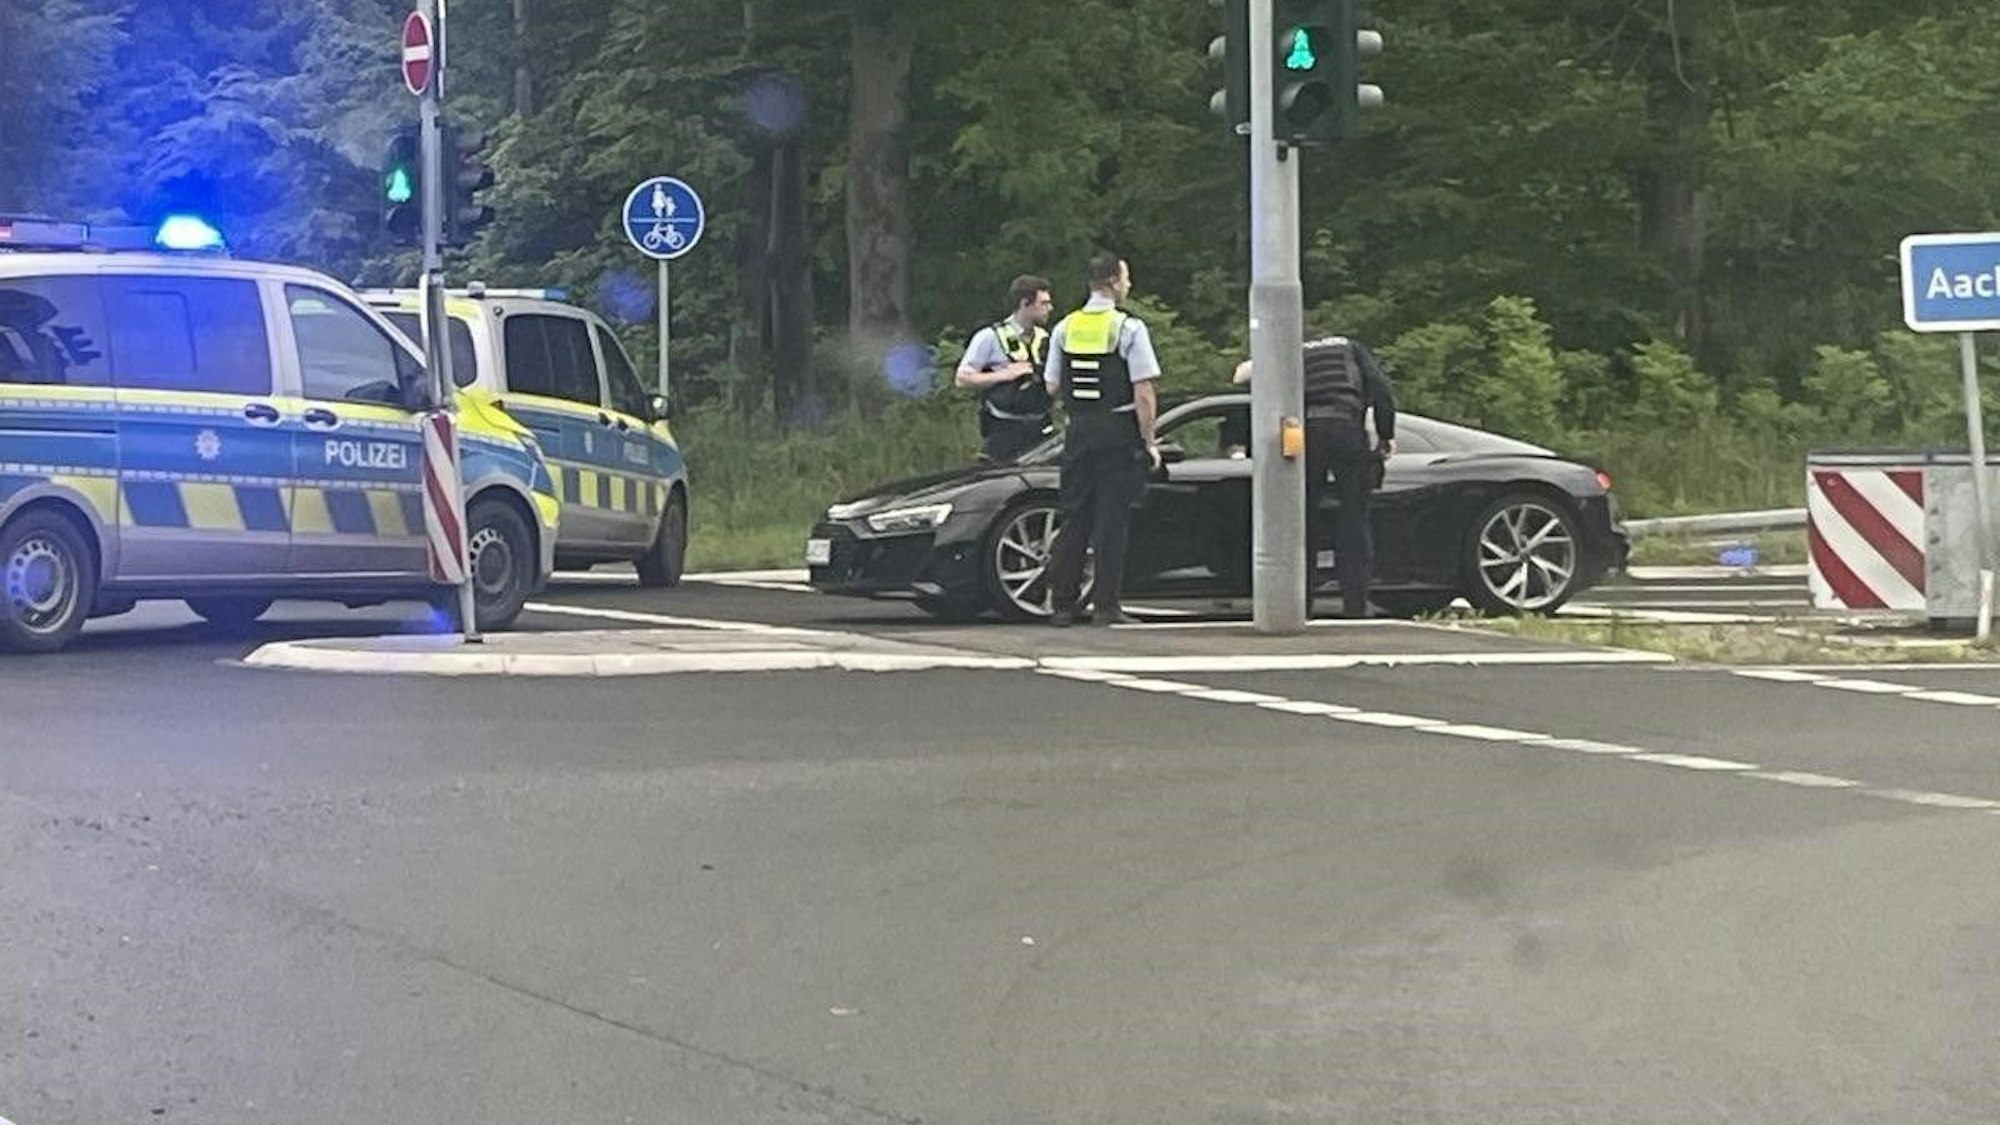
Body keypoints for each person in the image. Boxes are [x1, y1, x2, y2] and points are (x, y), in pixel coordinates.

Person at [1234, 335, 1397, 617]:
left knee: (1302, 520)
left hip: (1304, 433)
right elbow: (1381, 389)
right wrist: (1386, 436)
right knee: (1354, 518)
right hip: (1346, 428)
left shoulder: (1292, 350)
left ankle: (1301, 604)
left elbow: (1243, 378)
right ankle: (1355, 606)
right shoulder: (1351, 348)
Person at [1041, 254, 1161, 627]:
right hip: (1118, 429)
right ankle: (1106, 606)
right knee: (1111, 520)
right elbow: (1144, 392)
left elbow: (1052, 384)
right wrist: (1149, 439)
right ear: (1112, 281)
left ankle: (1062, 604)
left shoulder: (1064, 327)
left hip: (1079, 431)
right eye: (1126, 279)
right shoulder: (1128, 329)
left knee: (1074, 515)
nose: (1129, 285)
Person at [954, 275, 1055, 462]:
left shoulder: (1045, 338)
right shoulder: (990, 337)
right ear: (1025, 303)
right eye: (1044, 303)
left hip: (1040, 427)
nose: (1050, 308)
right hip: (1004, 429)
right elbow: (962, 378)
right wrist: (1004, 375)